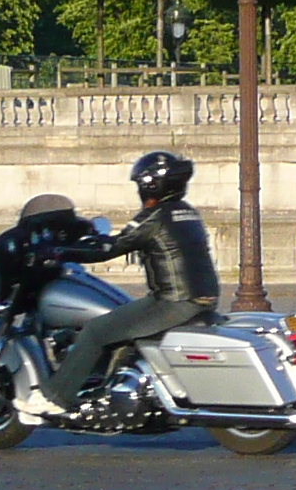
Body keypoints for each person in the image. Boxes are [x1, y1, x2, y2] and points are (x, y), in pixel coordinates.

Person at [24, 150, 219, 416]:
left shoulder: (154, 217)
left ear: (150, 185)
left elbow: (111, 247)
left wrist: (59, 251)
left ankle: (55, 398)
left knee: (95, 331)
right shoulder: (187, 212)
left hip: (174, 301)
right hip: (201, 297)